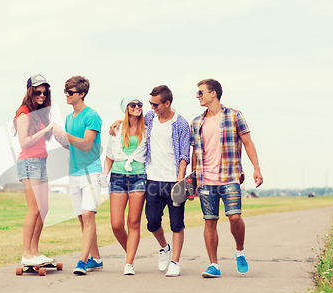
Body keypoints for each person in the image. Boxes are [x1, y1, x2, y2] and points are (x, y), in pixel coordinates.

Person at [110, 85, 191, 277]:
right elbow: (131, 121)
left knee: (176, 223)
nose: (151, 107)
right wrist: (115, 122)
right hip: (152, 179)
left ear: (167, 103)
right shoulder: (150, 119)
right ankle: (164, 247)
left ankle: (175, 262)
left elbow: (184, 154)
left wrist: (181, 177)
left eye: (155, 104)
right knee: (152, 223)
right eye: (150, 104)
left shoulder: (180, 123)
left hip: (173, 180)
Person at [190, 78, 263, 278]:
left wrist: (256, 168)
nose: (198, 96)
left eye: (200, 92)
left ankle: (239, 251)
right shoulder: (197, 122)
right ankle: (214, 264)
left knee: (235, 217)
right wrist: (192, 180)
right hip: (206, 180)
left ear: (213, 93)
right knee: (209, 221)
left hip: (230, 176)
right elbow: (195, 153)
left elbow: (248, 143)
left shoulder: (234, 115)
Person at [53, 75, 103, 275]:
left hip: (90, 172)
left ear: (81, 94)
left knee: (88, 216)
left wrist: (65, 135)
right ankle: (96, 259)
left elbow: (86, 144)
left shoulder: (92, 115)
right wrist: (59, 139)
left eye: (71, 92)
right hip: (73, 173)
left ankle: (82, 262)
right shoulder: (68, 118)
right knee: (83, 219)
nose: (67, 95)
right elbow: (71, 145)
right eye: (65, 91)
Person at [13, 74, 56, 266]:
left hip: (41, 162)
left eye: (45, 92)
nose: (42, 95)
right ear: (30, 91)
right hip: (29, 162)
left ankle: (35, 251)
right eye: (38, 92)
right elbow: (24, 142)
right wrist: (45, 130)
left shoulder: (40, 112)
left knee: (44, 209)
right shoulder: (24, 112)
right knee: (34, 209)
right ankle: (26, 254)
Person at [103, 97, 147, 275]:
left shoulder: (147, 127)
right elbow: (109, 156)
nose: (137, 107)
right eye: (133, 105)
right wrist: (102, 175)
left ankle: (129, 263)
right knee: (116, 224)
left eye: (140, 105)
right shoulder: (117, 129)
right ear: (126, 108)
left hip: (139, 178)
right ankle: (131, 251)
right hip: (118, 178)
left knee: (133, 222)